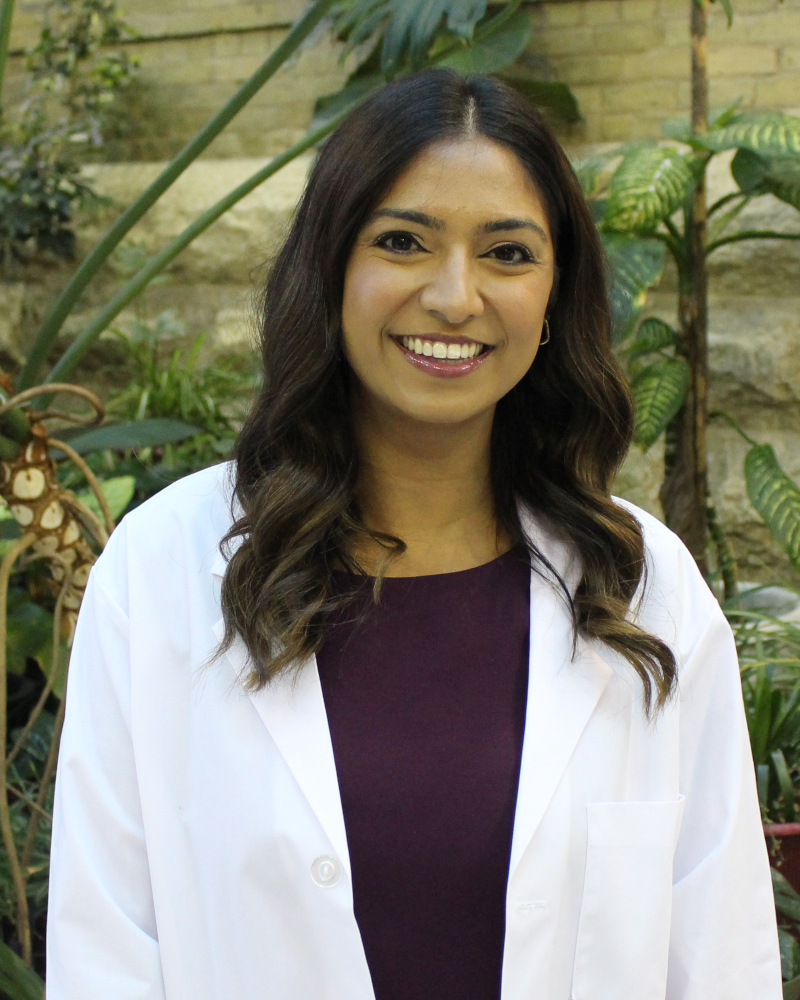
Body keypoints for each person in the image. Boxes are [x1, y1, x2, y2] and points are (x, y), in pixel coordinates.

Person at [46, 69, 781, 1000]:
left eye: (508, 253)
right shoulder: (161, 577)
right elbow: (105, 952)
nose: (454, 296)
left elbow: (721, 956)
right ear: (330, 267)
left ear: (555, 293)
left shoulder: (644, 587)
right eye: (403, 242)